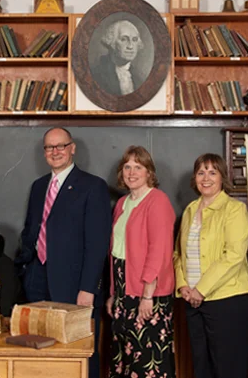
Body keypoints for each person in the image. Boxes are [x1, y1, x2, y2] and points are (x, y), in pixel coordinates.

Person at [15, 127, 111, 378]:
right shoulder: (38, 187)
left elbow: (97, 243)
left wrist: (89, 288)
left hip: (75, 286)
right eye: (49, 147)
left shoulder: (93, 186)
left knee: (79, 351)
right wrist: (25, 269)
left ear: (72, 148)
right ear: (44, 152)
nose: (55, 152)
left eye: (61, 146)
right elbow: (31, 230)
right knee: (40, 349)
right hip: (37, 279)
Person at [173, 153, 248, 378]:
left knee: (229, 370)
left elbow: (234, 256)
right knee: (202, 369)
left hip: (229, 302)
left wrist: (201, 289)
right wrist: (183, 287)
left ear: (222, 177)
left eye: (212, 172)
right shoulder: (190, 210)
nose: (206, 178)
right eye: (201, 172)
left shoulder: (234, 209)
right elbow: (178, 254)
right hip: (192, 302)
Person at [106, 146, 176, 378]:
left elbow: (159, 251)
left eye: (138, 167)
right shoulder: (122, 203)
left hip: (148, 294)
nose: (132, 172)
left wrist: (148, 295)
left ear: (149, 172)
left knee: (147, 363)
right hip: (124, 293)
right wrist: (114, 293)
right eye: (127, 167)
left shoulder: (158, 201)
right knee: (124, 360)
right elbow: (117, 252)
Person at [91, 20, 146, 96]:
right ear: (112, 43)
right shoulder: (97, 74)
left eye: (134, 40)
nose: (130, 46)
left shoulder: (139, 77)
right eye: (124, 39)